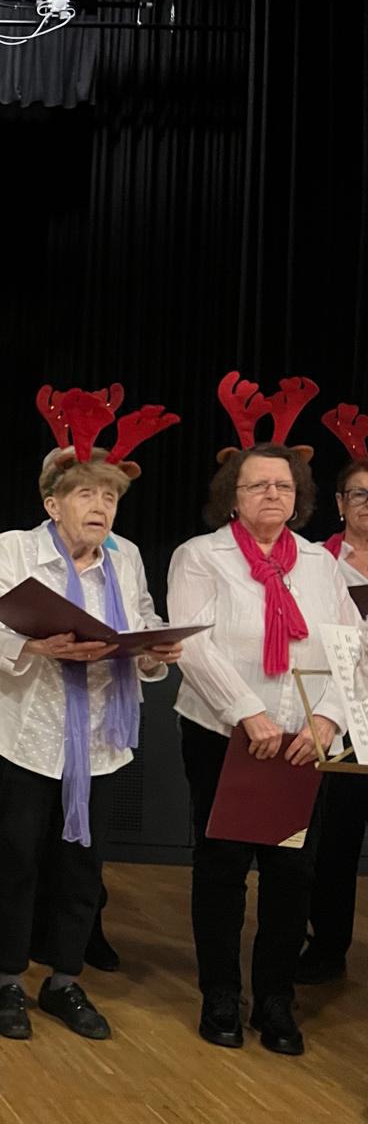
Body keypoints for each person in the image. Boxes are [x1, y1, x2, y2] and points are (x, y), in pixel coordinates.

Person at [0, 384, 182, 1043]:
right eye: (86, 494)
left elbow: (139, 624)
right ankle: (7, 980)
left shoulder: (126, 557)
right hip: (26, 731)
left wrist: (155, 650)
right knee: (19, 857)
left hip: (101, 735)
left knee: (82, 864)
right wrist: (36, 645)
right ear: (52, 502)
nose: (100, 507)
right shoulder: (12, 549)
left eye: (110, 496)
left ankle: (63, 979)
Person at [169, 371, 356, 1056]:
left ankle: (275, 998)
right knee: (220, 868)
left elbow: (350, 648)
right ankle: (221, 994)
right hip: (224, 733)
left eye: (283, 485)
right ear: (232, 495)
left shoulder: (320, 565)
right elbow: (192, 644)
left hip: (304, 739)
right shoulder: (201, 556)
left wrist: (327, 721)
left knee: (292, 873)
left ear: (299, 495)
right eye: (257, 486)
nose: (272, 494)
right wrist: (248, 714)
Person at [296, 404, 368, 985]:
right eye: (359, 494)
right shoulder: (316, 562)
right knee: (334, 840)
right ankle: (327, 946)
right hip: (342, 714)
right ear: (340, 503)